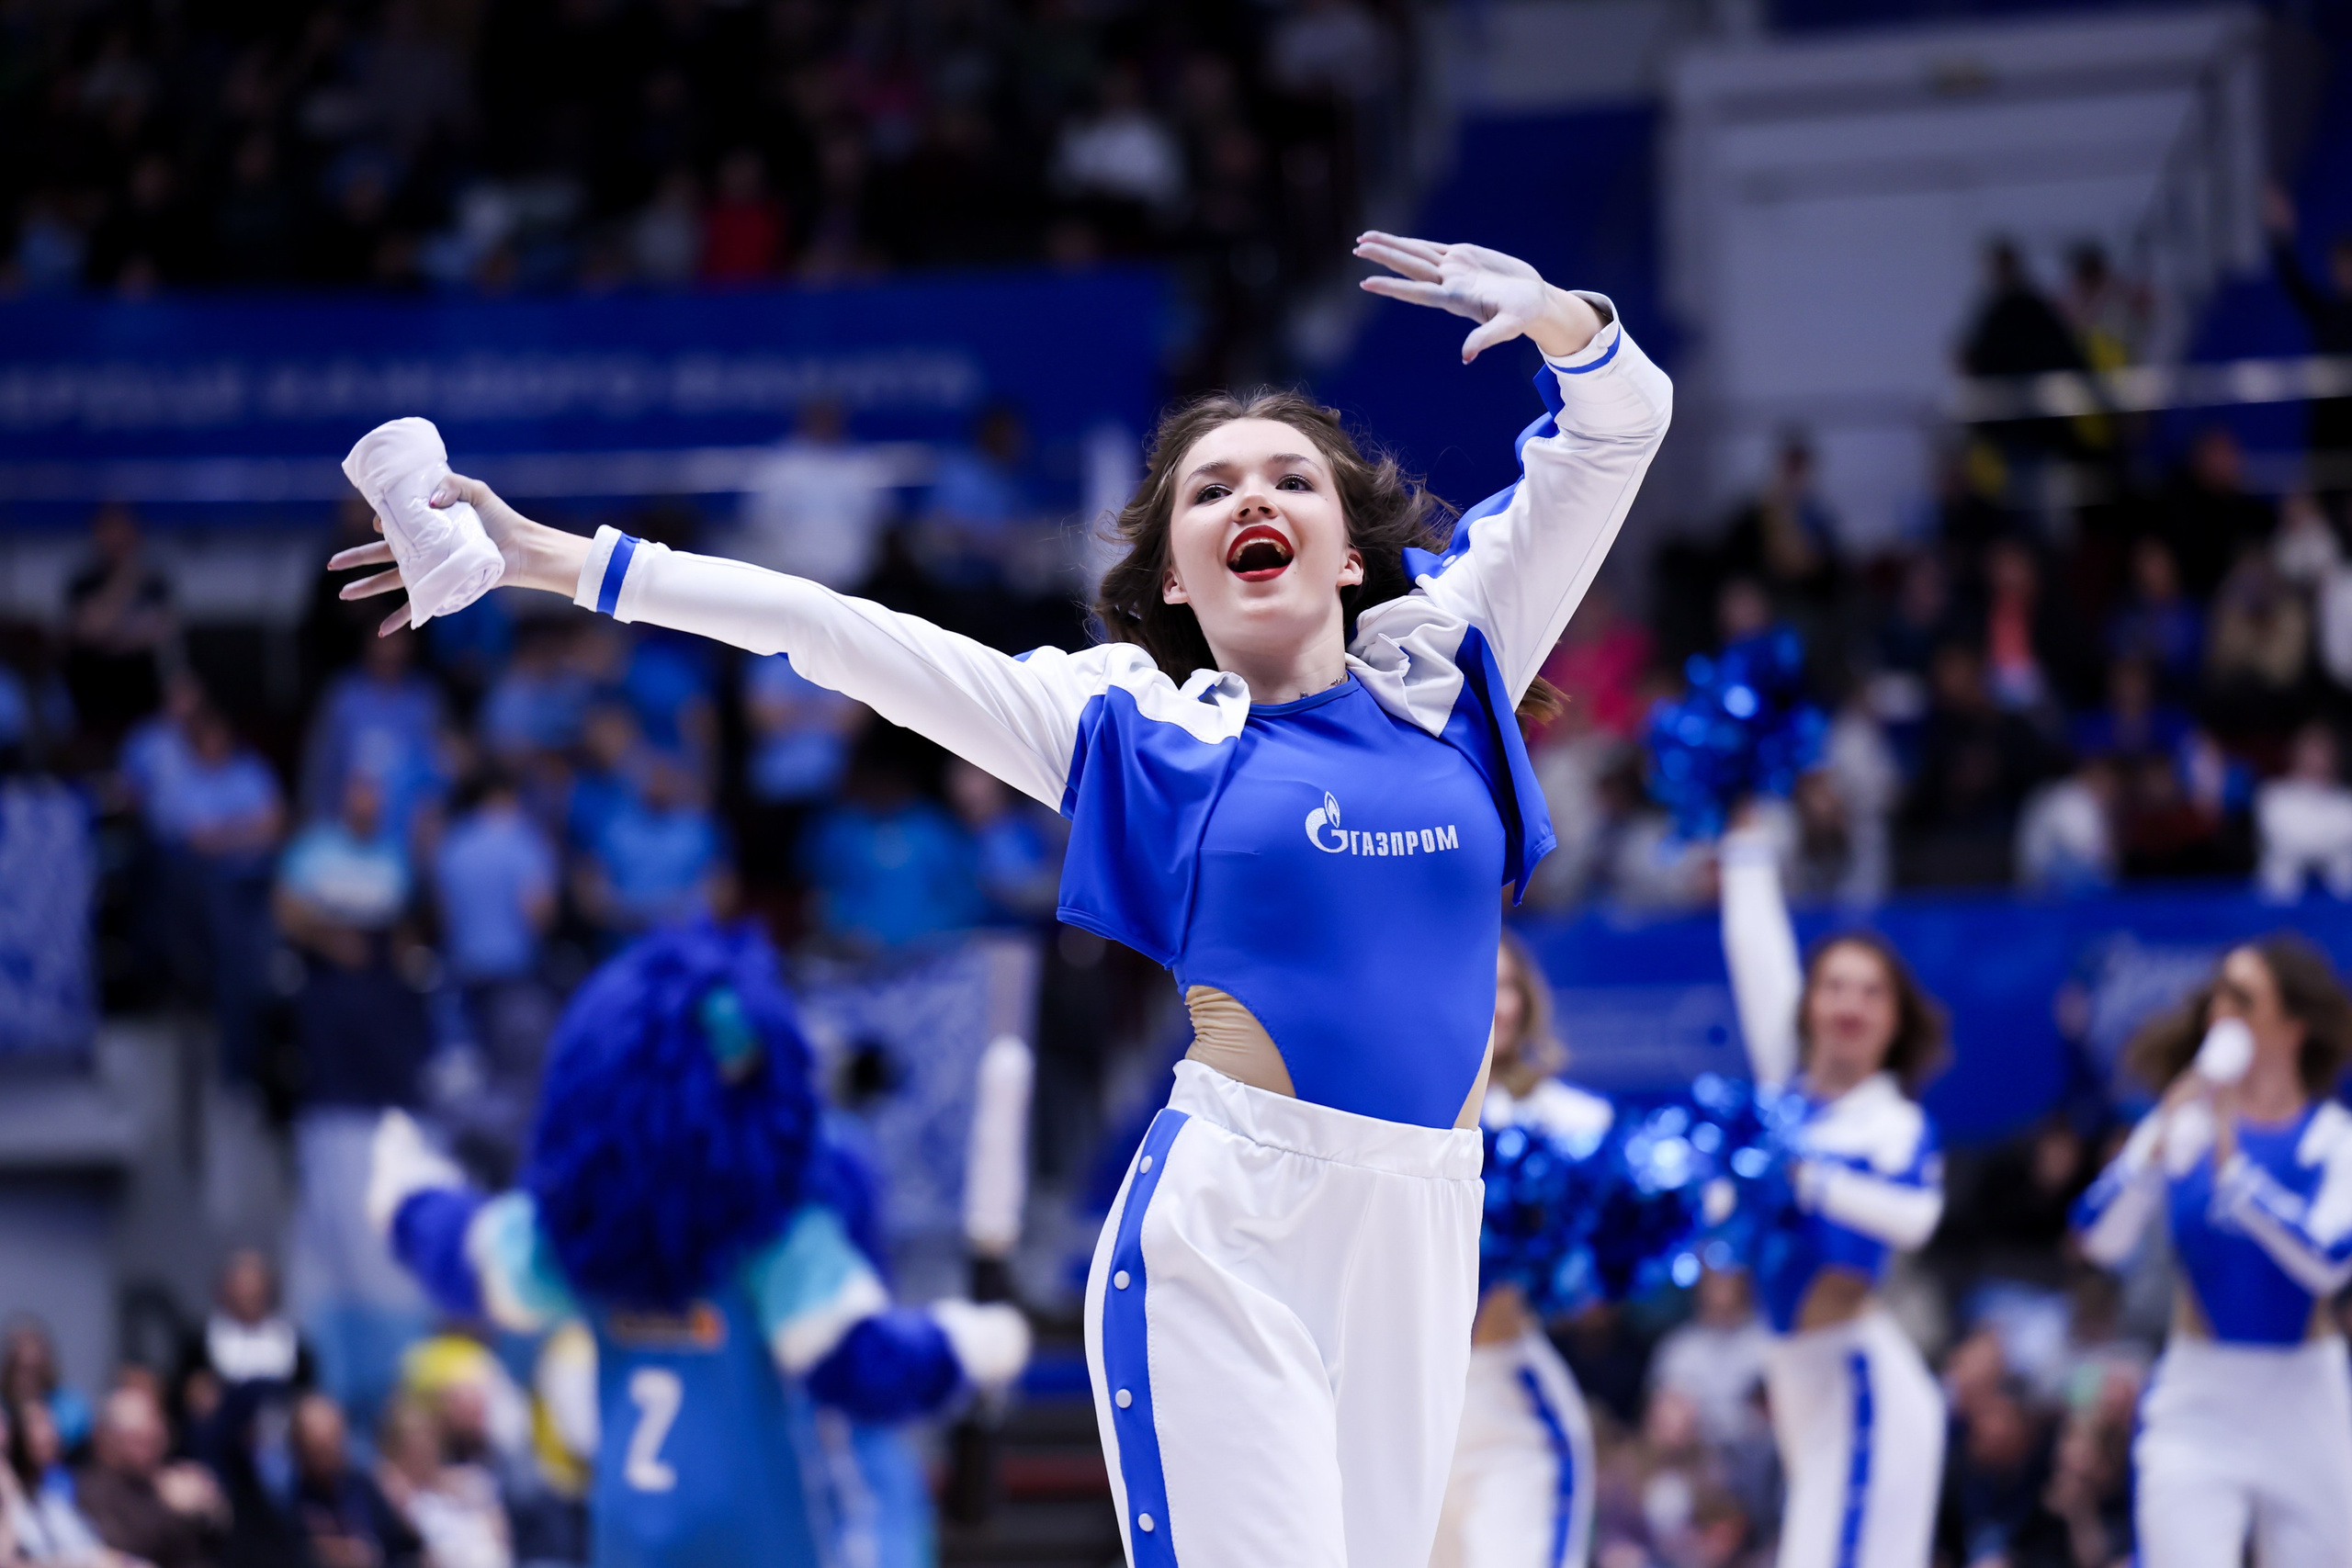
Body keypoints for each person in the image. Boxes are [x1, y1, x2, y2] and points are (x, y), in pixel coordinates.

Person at [332, 231, 1671, 1568]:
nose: (1251, 495)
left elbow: (1621, 431)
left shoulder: (1450, 657)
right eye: (1209, 489)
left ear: (1348, 549)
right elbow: (839, 631)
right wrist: (560, 562)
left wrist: (1566, 324)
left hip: (1429, 1215)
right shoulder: (1126, 724)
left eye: (1288, 477)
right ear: (1171, 575)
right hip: (1231, 1231)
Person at [366, 924, 1028, 1567]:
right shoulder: (774, 1239)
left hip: (630, 1542)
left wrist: (407, 1200)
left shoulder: (583, 1237)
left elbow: (471, 1255)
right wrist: (967, 1344)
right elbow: (864, 1364)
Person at [2072, 936, 2352, 1568]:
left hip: (2306, 1401)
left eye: (2245, 999)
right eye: (2219, 994)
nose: (2222, 1012)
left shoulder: (2335, 1139)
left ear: (2293, 1026)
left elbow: (2330, 1259)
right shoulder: (2184, 1123)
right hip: (2199, 1397)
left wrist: (2237, 1174)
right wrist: (2154, 1147)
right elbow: (2097, 1235)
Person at [1718, 817, 1949, 1568]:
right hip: (1798, 1380)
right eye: (1834, 987)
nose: (1850, 1004)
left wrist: (1808, 1178)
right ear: (1809, 1004)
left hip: (1862, 1386)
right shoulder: (1790, 1098)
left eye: (1871, 993)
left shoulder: (1894, 1124)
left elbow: (1916, 1218)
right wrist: (1747, 845)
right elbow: (1757, 957)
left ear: (1894, 1020)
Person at [1430, 931, 1609, 1568]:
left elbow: (1593, 1282)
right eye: (1481, 984)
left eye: (1507, 986)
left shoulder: (1569, 1122)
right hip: (1406, 1409)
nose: (1496, 1003)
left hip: (1509, 1409)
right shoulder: (1399, 1119)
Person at [74, 1385, 227, 1568]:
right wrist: (174, 1510)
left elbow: (217, 1539)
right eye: (138, 1440)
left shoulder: (167, 1475)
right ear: (108, 1441)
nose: (151, 1449)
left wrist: (210, 1507)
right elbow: (127, 1552)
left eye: (154, 1437)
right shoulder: (94, 1490)